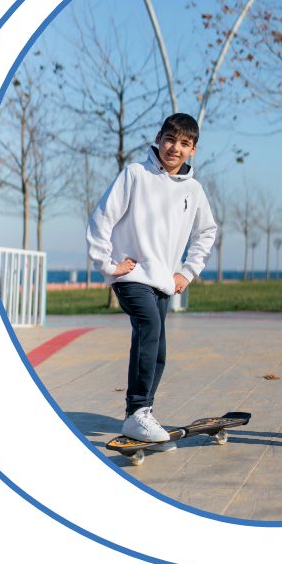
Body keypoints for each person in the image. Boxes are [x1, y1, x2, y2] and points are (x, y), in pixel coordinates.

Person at [86, 113, 217, 450]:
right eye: (170, 139)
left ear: (193, 150)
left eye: (184, 143)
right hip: (131, 275)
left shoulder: (194, 189)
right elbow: (102, 217)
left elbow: (207, 232)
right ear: (159, 137)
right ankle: (137, 411)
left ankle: (143, 414)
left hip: (163, 281)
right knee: (149, 326)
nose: (175, 147)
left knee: (157, 347)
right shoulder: (135, 174)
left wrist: (186, 273)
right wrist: (107, 264)